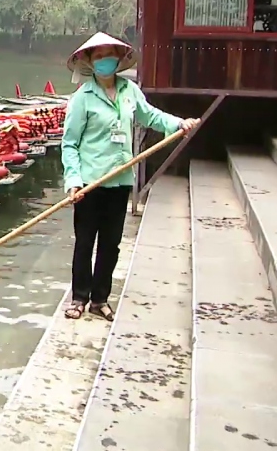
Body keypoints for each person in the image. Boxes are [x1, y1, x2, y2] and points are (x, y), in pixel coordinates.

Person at [61, 32, 198, 321]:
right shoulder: (82, 98)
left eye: (109, 55)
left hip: (120, 180)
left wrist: (178, 124)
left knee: (111, 243)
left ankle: (100, 299)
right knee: (85, 242)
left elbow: (151, 116)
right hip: (90, 183)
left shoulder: (129, 91)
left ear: (119, 59)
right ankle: (79, 298)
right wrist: (73, 181)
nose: (104, 61)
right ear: (89, 62)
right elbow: (70, 144)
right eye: (98, 57)